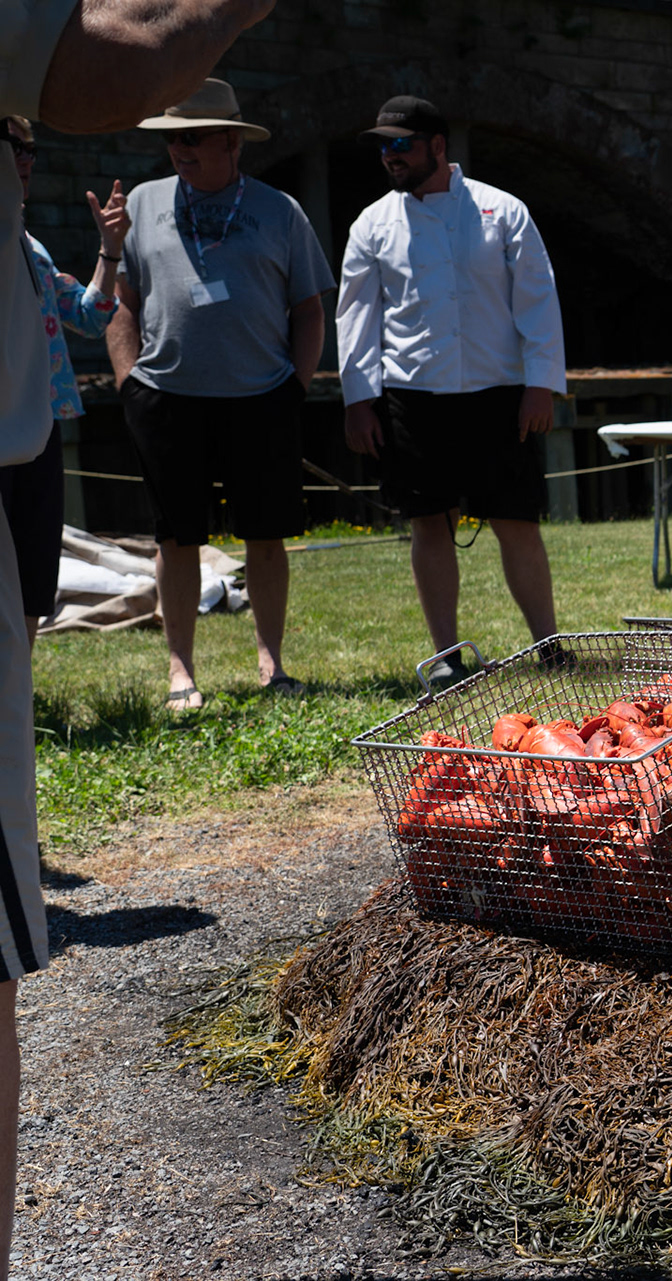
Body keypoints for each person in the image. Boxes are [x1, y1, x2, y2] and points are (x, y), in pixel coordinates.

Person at [4, 8, 279, 1275]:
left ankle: (244, 658)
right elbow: (98, 61)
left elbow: (82, 302)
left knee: (37, 606)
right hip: (90, 431)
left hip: (36, 457)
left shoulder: (265, 214)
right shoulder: (102, 196)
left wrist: (105, 274)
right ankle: (171, 662)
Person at [104, 77, 330, 711]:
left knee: (266, 531)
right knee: (176, 538)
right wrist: (129, 383)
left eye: (193, 138)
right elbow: (121, 301)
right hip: (166, 397)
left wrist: (296, 385)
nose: (180, 150)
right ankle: (181, 672)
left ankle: (272, 665)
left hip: (262, 396)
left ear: (232, 142)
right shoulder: (143, 202)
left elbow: (309, 307)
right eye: (172, 138)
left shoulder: (281, 210)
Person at [336, 95, 568, 688]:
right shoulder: (372, 223)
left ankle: (549, 643)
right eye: (383, 146)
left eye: (401, 144)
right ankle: (446, 655)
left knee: (517, 520)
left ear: (438, 146)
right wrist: (358, 399)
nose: (390, 156)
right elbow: (356, 316)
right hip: (413, 395)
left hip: (499, 391)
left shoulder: (502, 210)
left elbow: (538, 301)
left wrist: (540, 384)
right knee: (428, 521)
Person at [3, 114, 128, 645]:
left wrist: (110, 249)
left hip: (46, 418)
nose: (24, 161)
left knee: (33, 566)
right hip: (8, 421)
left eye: (29, 149)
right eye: (11, 147)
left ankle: (20, 698)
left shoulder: (32, 246)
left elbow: (88, 315)